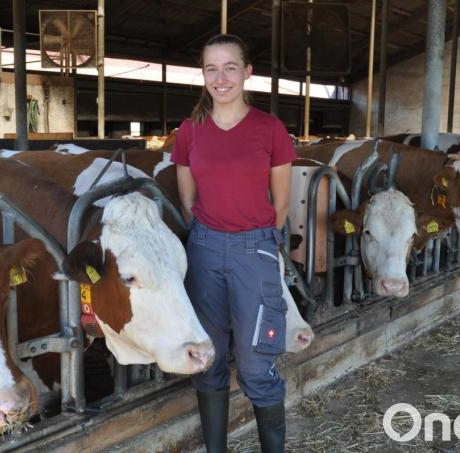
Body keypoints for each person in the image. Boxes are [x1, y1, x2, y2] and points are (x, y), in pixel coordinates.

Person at [170, 34, 296, 453]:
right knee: (208, 361)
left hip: (254, 250)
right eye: (211, 68)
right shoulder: (189, 132)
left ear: (247, 72)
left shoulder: (270, 129)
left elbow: (281, 202)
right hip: (204, 250)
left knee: (257, 366)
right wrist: (208, 233)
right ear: (202, 74)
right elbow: (188, 199)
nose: (220, 78)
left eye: (229, 68)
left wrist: (254, 237)